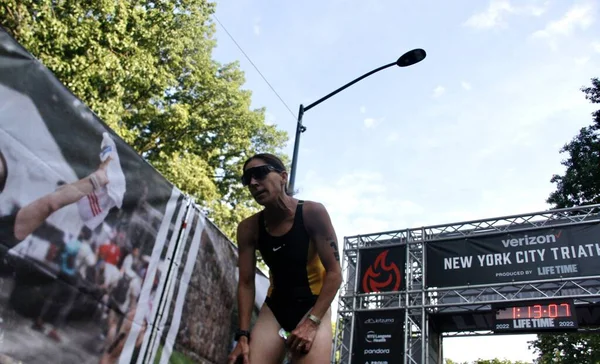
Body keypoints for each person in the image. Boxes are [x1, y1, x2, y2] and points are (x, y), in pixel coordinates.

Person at [227, 153, 343, 364]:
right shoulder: (248, 228)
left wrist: (312, 323)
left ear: (283, 177)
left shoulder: (312, 212)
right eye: (247, 179)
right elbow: (245, 282)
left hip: (313, 305)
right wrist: (242, 335)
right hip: (275, 308)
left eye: (260, 173)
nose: (253, 182)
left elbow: (335, 274)